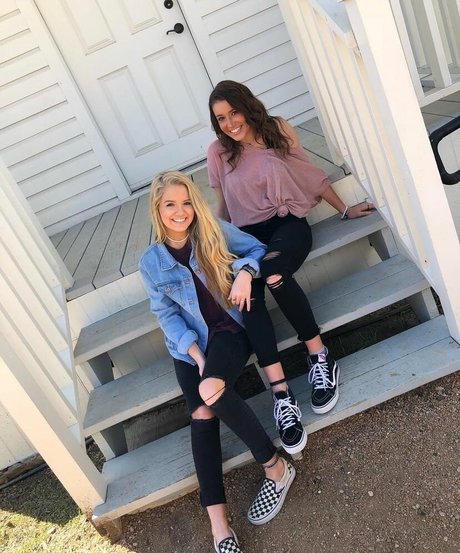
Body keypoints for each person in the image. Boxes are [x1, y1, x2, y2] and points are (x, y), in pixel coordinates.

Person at [207, 80, 375, 454]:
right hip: (246, 240)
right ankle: (281, 393)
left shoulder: (276, 129)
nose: (230, 123)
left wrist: (344, 209)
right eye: (221, 118)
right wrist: (218, 249)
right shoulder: (218, 152)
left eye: (234, 112)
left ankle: (320, 356)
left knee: (275, 274)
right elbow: (222, 208)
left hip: (287, 227)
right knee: (246, 295)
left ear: (247, 106)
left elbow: (308, 173)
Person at [139, 171, 297, 553]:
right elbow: (166, 315)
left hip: (228, 330)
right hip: (188, 343)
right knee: (201, 414)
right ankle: (220, 529)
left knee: (210, 389)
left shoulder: (213, 231)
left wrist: (244, 273)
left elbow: (257, 249)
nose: (180, 211)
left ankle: (275, 467)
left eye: (186, 202)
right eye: (170, 204)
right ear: (157, 210)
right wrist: (195, 355)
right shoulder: (151, 262)